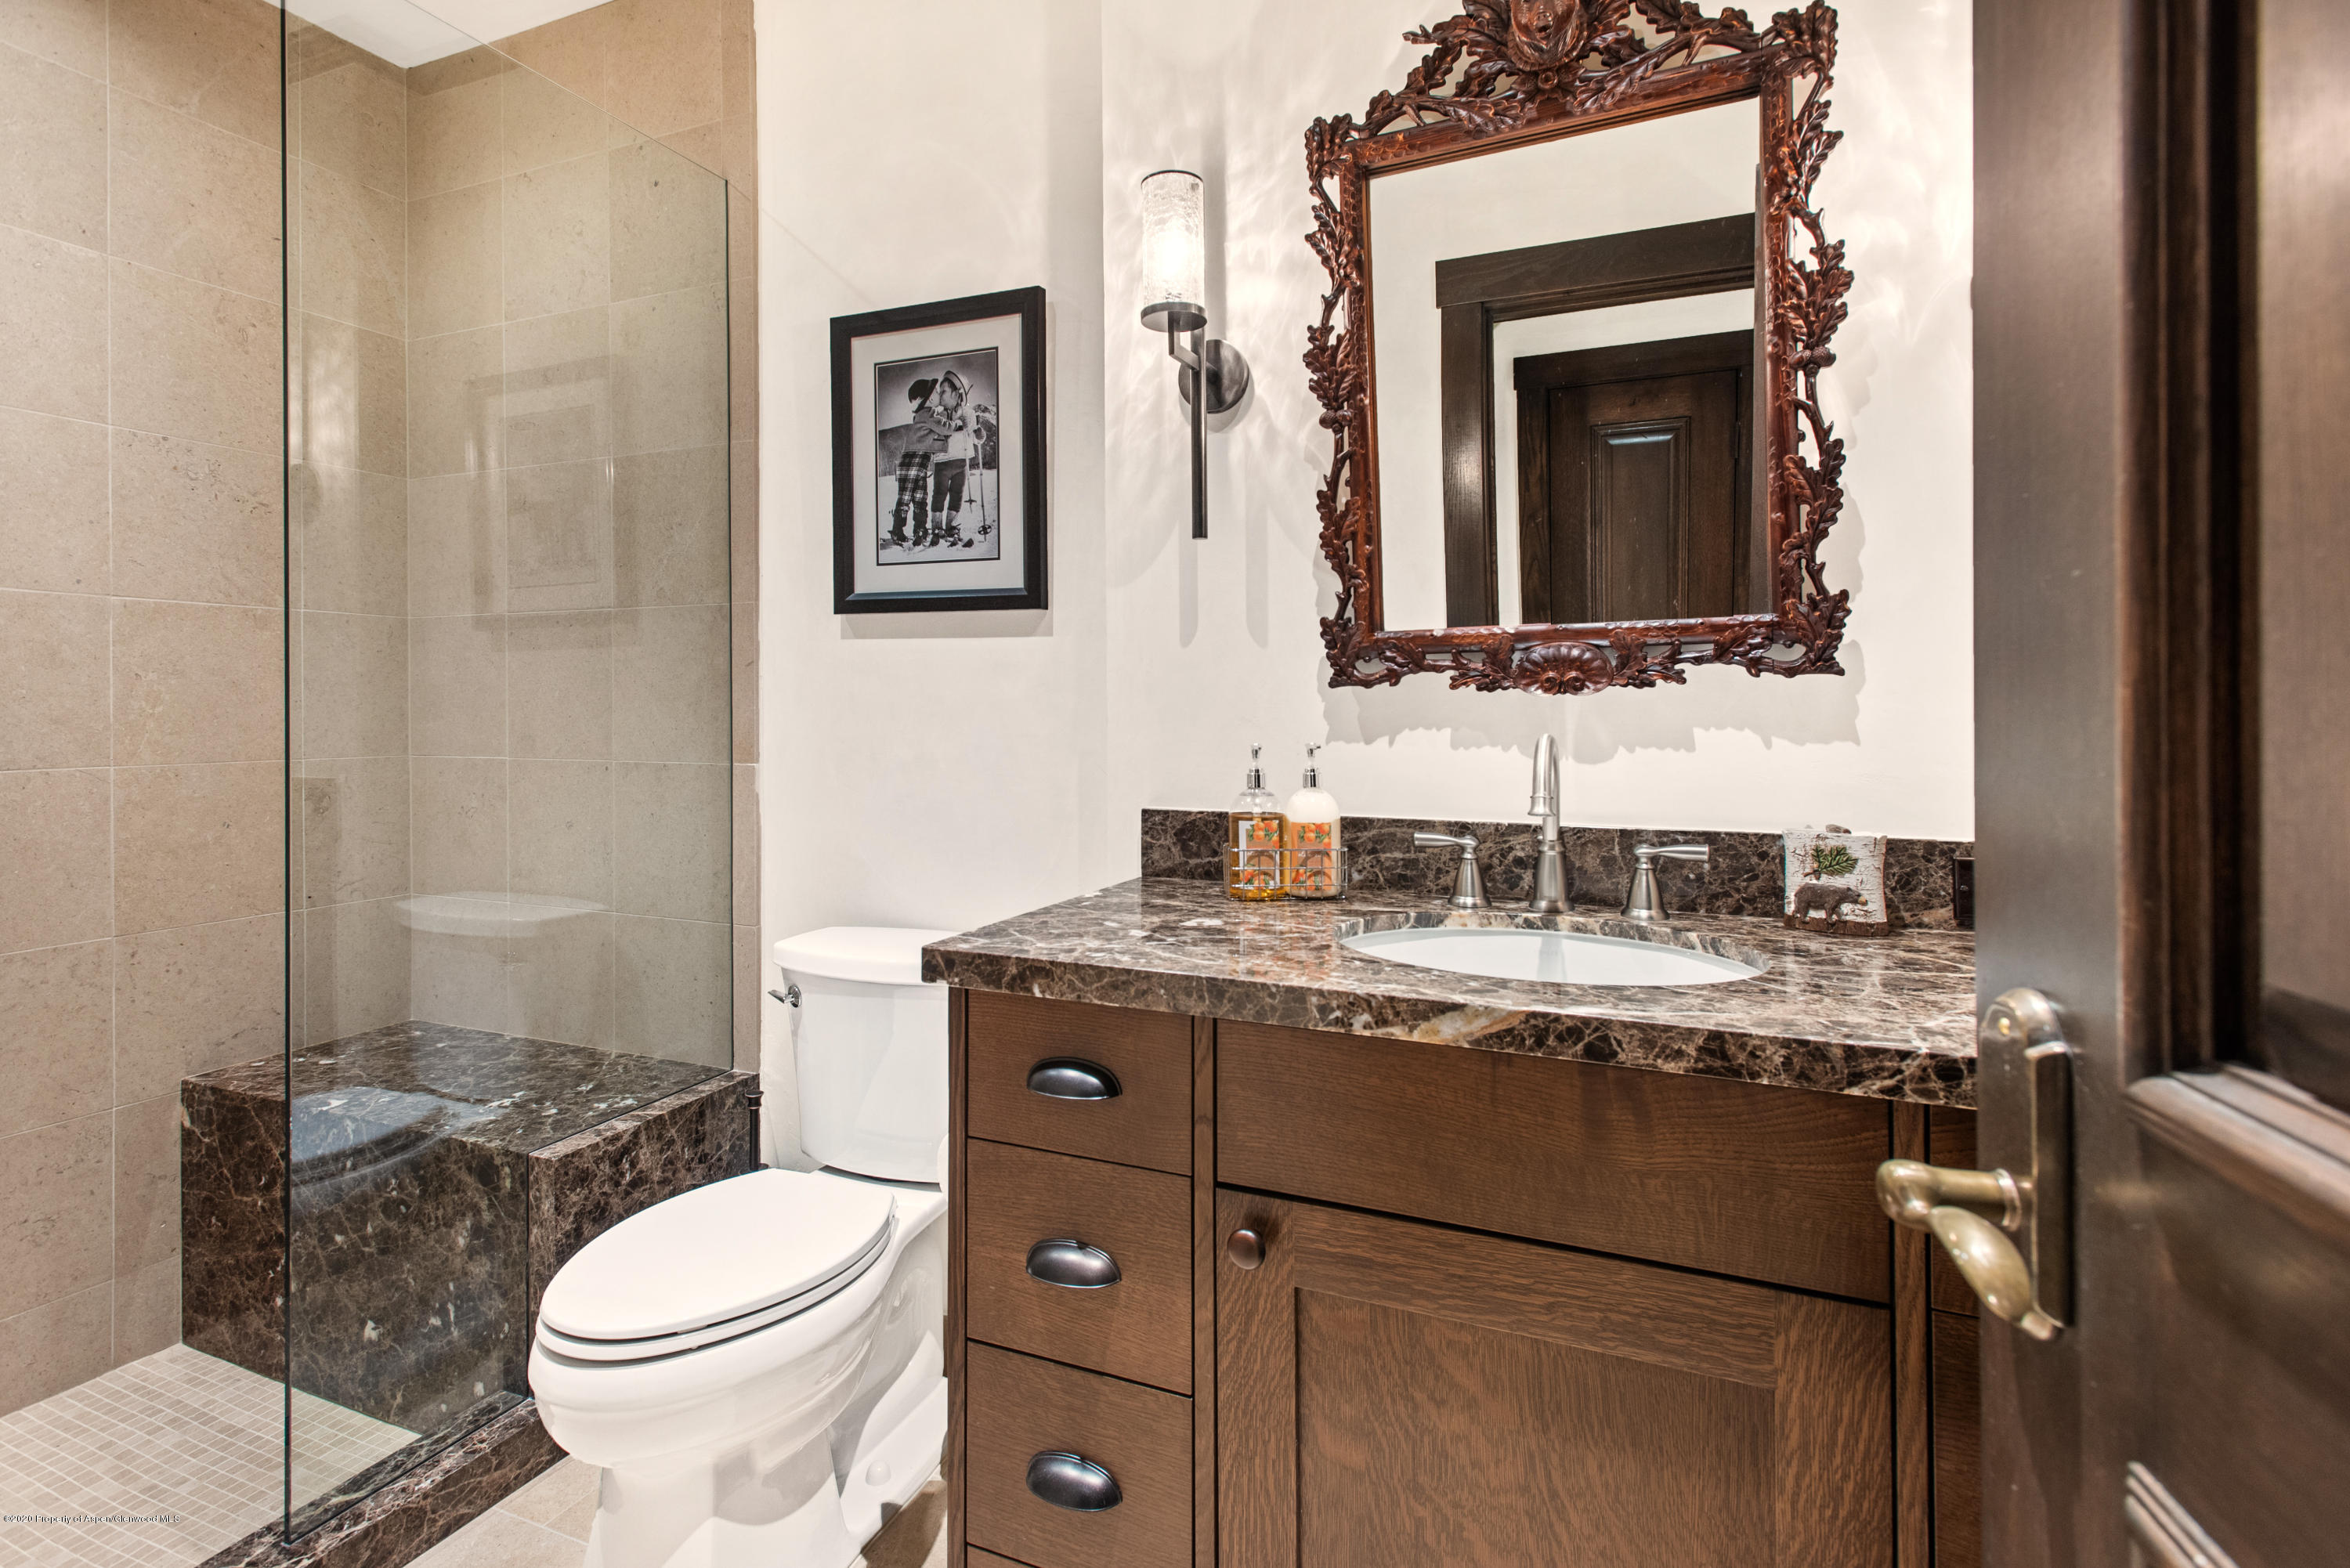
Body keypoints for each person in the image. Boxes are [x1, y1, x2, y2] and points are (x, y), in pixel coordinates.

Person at [887, 375, 956, 547]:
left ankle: (918, 530)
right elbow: (943, 427)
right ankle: (901, 530)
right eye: (937, 391)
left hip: (916, 461)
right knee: (910, 498)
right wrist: (956, 425)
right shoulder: (928, 414)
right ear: (931, 397)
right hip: (914, 460)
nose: (939, 394)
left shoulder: (922, 415)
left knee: (918, 497)